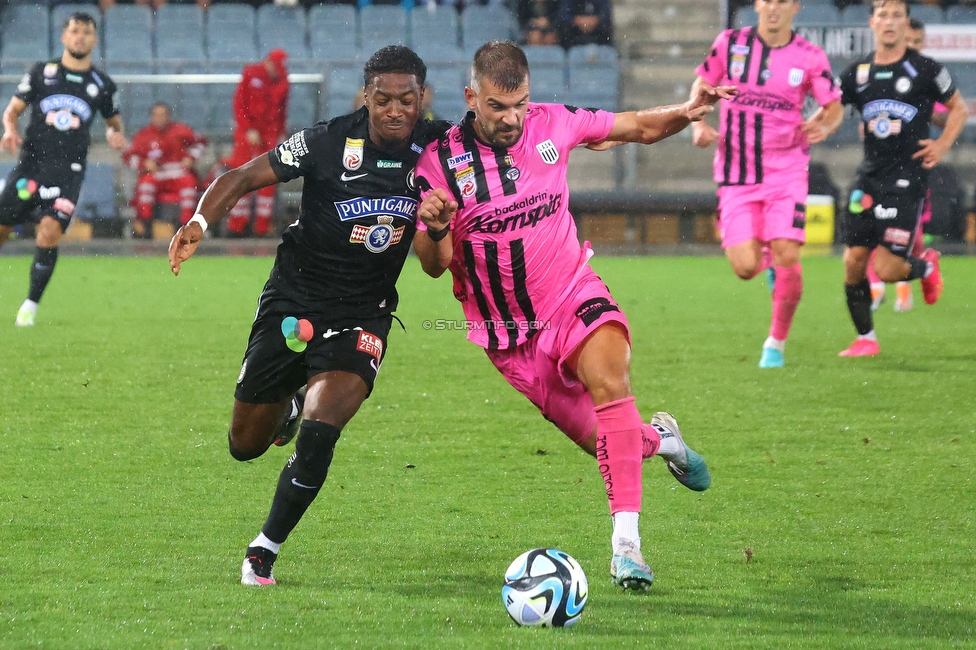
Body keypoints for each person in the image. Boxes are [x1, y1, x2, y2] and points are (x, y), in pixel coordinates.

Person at [413, 40, 733, 591]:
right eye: (496, 107)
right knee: (608, 440)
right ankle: (665, 442)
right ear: (472, 98)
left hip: (572, 293)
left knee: (611, 379)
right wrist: (438, 226)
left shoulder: (554, 124)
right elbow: (434, 267)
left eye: (519, 105)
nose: (511, 118)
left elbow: (636, 127)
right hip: (509, 335)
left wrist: (684, 111)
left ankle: (626, 547)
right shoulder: (438, 163)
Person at [169, 46, 451, 586]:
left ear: (423, 99)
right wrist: (200, 223)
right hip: (294, 301)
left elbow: (435, 268)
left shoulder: (441, 151)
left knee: (323, 432)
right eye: (384, 99)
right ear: (366, 96)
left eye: (406, 100)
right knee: (245, 446)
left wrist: (438, 228)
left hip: (364, 314)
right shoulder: (326, 140)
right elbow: (243, 177)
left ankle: (264, 550)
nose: (395, 109)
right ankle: (289, 402)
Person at [691, 0, 844, 368]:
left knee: (788, 253)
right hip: (736, 171)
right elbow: (703, 82)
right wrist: (697, 122)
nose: (774, 7)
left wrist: (825, 123)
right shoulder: (731, 42)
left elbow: (834, 105)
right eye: (767, 0)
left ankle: (775, 343)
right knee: (744, 268)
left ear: (796, 7)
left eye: (782, 1)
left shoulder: (810, 56)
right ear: (758, 4)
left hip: (786, 169)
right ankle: (768, 263)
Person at [837, 0, 967, 357]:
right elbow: (833, 107)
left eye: (896, 15)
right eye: (883, 15)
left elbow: (959, 108)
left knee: (889, 269)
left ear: (905, 22)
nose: (889, 21)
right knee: (853, 261)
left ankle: (926, 265)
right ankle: (866, 339)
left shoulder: (925, 69)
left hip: (907, 179)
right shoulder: (857, 72)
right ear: (872, 23)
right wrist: (820, 124)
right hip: (869, 177)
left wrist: (941, 145)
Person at [0, 12, 127, 327]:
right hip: (30, 167)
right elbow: (13, 111)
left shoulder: (102, 84)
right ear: (64, 36)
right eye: (74, 31)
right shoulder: (42, 72)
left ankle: (29, 306)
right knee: (2, 228)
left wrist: (114, 133)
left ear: (95, 39)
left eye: (86, 32)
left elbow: (114, 122)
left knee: (49, 231)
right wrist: (8, 129)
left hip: (68, 172)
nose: (80, 36)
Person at [866, 16, 947, 313]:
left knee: (907, 235)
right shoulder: (881, 71)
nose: (912, 46)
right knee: (873, 228)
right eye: (908, 41)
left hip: (912, 169)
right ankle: (876, 287)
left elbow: (946, 116)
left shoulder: (927, 75)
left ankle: (910, 278)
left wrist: (921, 110)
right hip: (878, 167)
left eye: (917, 42)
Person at [220, 48, 290, 237]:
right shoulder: (251, 74)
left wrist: (280, 132)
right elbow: (239, 104)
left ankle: (261, 227)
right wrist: (247, 128)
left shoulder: (283, 80)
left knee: (268, 177)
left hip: (270, 133)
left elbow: (282, 110)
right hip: (247, 132)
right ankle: (237, 226)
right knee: (242, 174)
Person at [124, 102, 207, 238]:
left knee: (189, 183)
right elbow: (129, 156)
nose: (159, 118)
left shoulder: (181, 130)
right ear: (151, 117)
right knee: (145, 184)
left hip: (178, 170)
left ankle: (185, 224)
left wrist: (190, 157)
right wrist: (144, 163)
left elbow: (201, 143)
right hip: (156, 173)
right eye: (156, 115)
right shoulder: (143, 135)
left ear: (168, 116)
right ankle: (146, 225)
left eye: (163, 115)